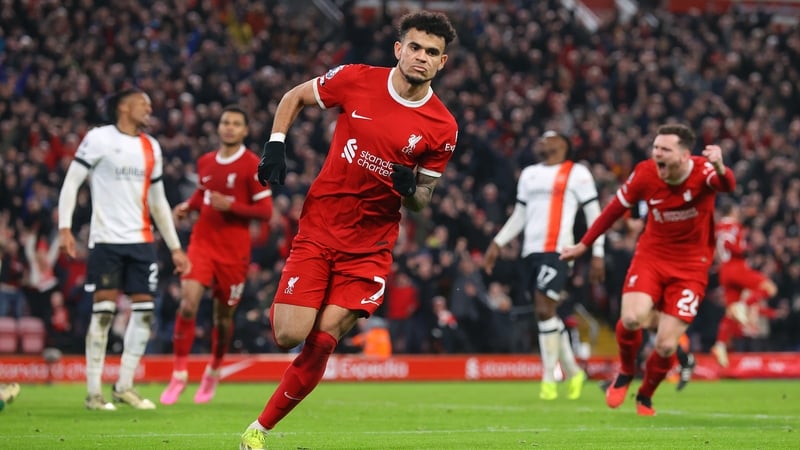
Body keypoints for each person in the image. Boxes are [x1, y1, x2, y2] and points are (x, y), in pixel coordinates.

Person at [239, 10, 458, 449]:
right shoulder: (357, 78)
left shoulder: (443, 127)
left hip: (370, 245)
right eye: (414, 47)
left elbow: (421, 203)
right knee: (289, 334)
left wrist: (409, 187)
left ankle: (257, 431)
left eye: (431, 52)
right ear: (399, 49)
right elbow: (294, 97)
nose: (421, 57)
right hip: (320, 227)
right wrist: (276, 145)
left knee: (323, 338)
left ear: (442, 63)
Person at [560, 123, 735, 416]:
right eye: (655, 148)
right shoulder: (645, 172)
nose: (657, 154)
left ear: (684, 154)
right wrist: (584, 245)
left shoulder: (704, 171)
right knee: (630, 318)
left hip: (692, 266)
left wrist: (720, 166)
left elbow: (728, 185)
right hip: (652, 256)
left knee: (667, 346)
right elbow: (614, 209)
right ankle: (626, 371)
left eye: (665, 149)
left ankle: (646, 395)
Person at [57, 88, 191, 411]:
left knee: (144, 314)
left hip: (142, 241)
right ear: (123, 106)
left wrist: (175, 247)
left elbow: (158, 203)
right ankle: (93, 393)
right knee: (103, 315)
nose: (149, 109)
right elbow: (72, 181)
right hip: (106, 241)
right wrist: (65, 227)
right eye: (143, 104)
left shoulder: (151, 147)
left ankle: (125, 386)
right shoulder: (99, 138)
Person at [160, 106, 273, 405]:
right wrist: (187, 206)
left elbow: (265, 211)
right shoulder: (205, 162)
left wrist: (232, 206)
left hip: (234, 253)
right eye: (226, 122)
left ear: (245, 131)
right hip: (203, 243)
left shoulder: (253, 165)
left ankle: (214, 369)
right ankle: (179, 373)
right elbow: (203, 195)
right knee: (188, 304)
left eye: (236, 123)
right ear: (219, 127)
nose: (230, 128)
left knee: (222, 320)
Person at [483, 130, 605, 401]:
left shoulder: (577, 173)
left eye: (548, 138)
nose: (541, 141)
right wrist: (497, 243)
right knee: (546, 313)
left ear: (564, 144)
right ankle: (574, 372)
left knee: (542, 307)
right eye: (540, 138)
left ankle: (549, 377)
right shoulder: (529, 174)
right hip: (530, 252)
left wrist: (597, 252)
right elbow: (521, 214)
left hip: (560, 251)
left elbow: (595, 216)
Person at [712, 201, 778, 367]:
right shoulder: (733, 226)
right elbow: (730, 243)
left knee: (730, 312)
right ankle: (744, 304)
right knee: (770, 288)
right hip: (737, 267)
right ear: (732, 212)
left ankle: (719, 345)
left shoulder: (717, 228)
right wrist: (744, 251)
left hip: (724, 271)